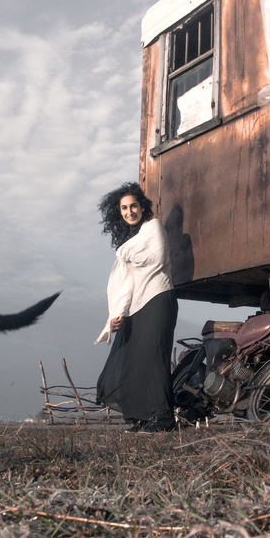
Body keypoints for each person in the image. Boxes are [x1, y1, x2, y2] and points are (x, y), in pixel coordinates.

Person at [95, 182, 178, 432]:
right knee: (132, 360)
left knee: (153, 359)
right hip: (136, 305)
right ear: (119, 212)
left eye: (133, 206)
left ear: (142, 207)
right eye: (124, 208)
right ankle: (140, 417)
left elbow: (157, 258)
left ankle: (163, 418)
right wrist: (116, 314)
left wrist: (125, 253)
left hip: (158, 298)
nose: (129, 211)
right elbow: (126, 283)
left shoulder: (153, 227)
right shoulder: (128, 240)